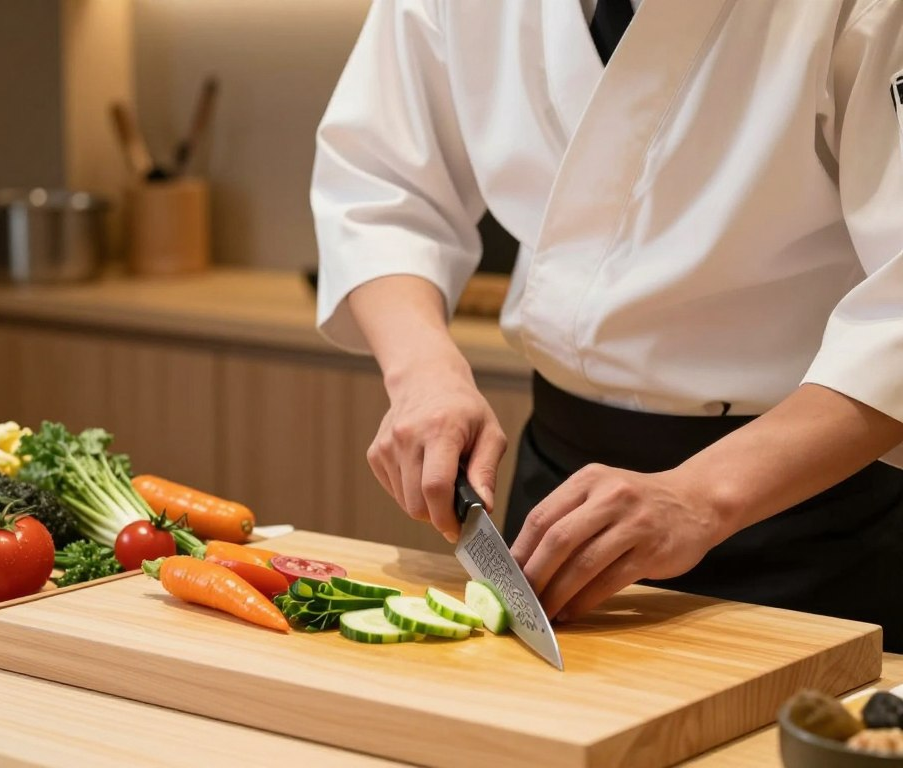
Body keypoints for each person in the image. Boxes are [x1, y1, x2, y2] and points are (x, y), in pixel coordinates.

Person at [310, 0, 903, 651]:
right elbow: (380, 182)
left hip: (810, 523)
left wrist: (701, 496)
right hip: (557, 503)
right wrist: (425, 373)